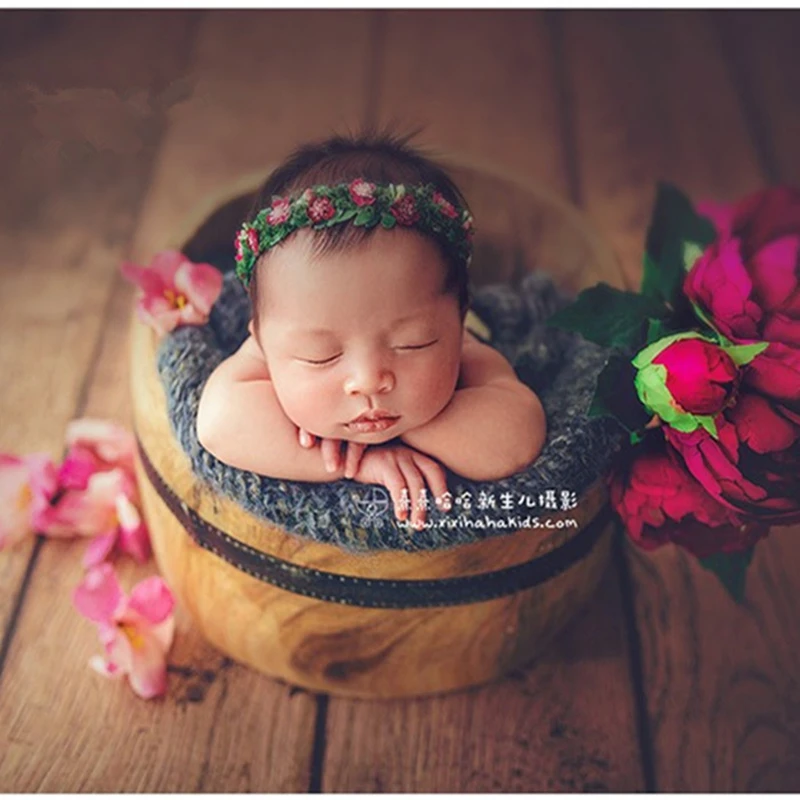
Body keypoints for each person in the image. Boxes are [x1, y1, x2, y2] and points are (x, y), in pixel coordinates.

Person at [197, 128, 546, 530]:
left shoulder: (464, 345)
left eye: (412, 344)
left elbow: (516, 439)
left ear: (459, 317)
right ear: (260, 338)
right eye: (320, 356)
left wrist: (413, 428)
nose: (368, 381)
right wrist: (358, 460)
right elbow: (219, 422)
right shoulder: (275, 337)